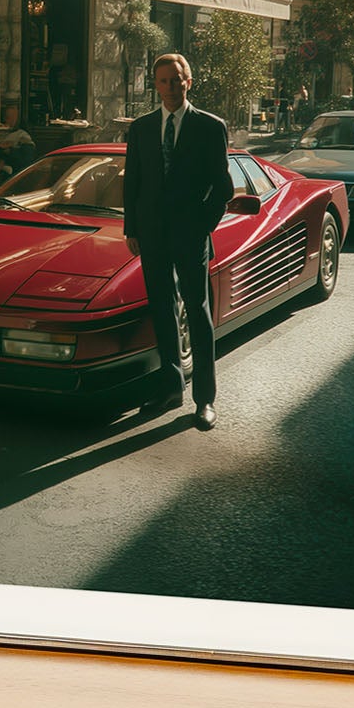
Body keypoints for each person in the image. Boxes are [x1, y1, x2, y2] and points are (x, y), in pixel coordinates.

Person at [122, 52, 231, 430]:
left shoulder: (210, 127)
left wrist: (202, 226)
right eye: (163, 81)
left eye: (176, 79)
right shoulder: (141, 128)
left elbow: (222, 188)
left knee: (197, 314)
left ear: (189, 81)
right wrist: (131, 228)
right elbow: (132, 181)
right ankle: (170, 387)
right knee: (162, 309)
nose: (170, 87)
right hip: (150, 234)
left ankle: (204, 399)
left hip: (190, 234)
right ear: (155, 85)